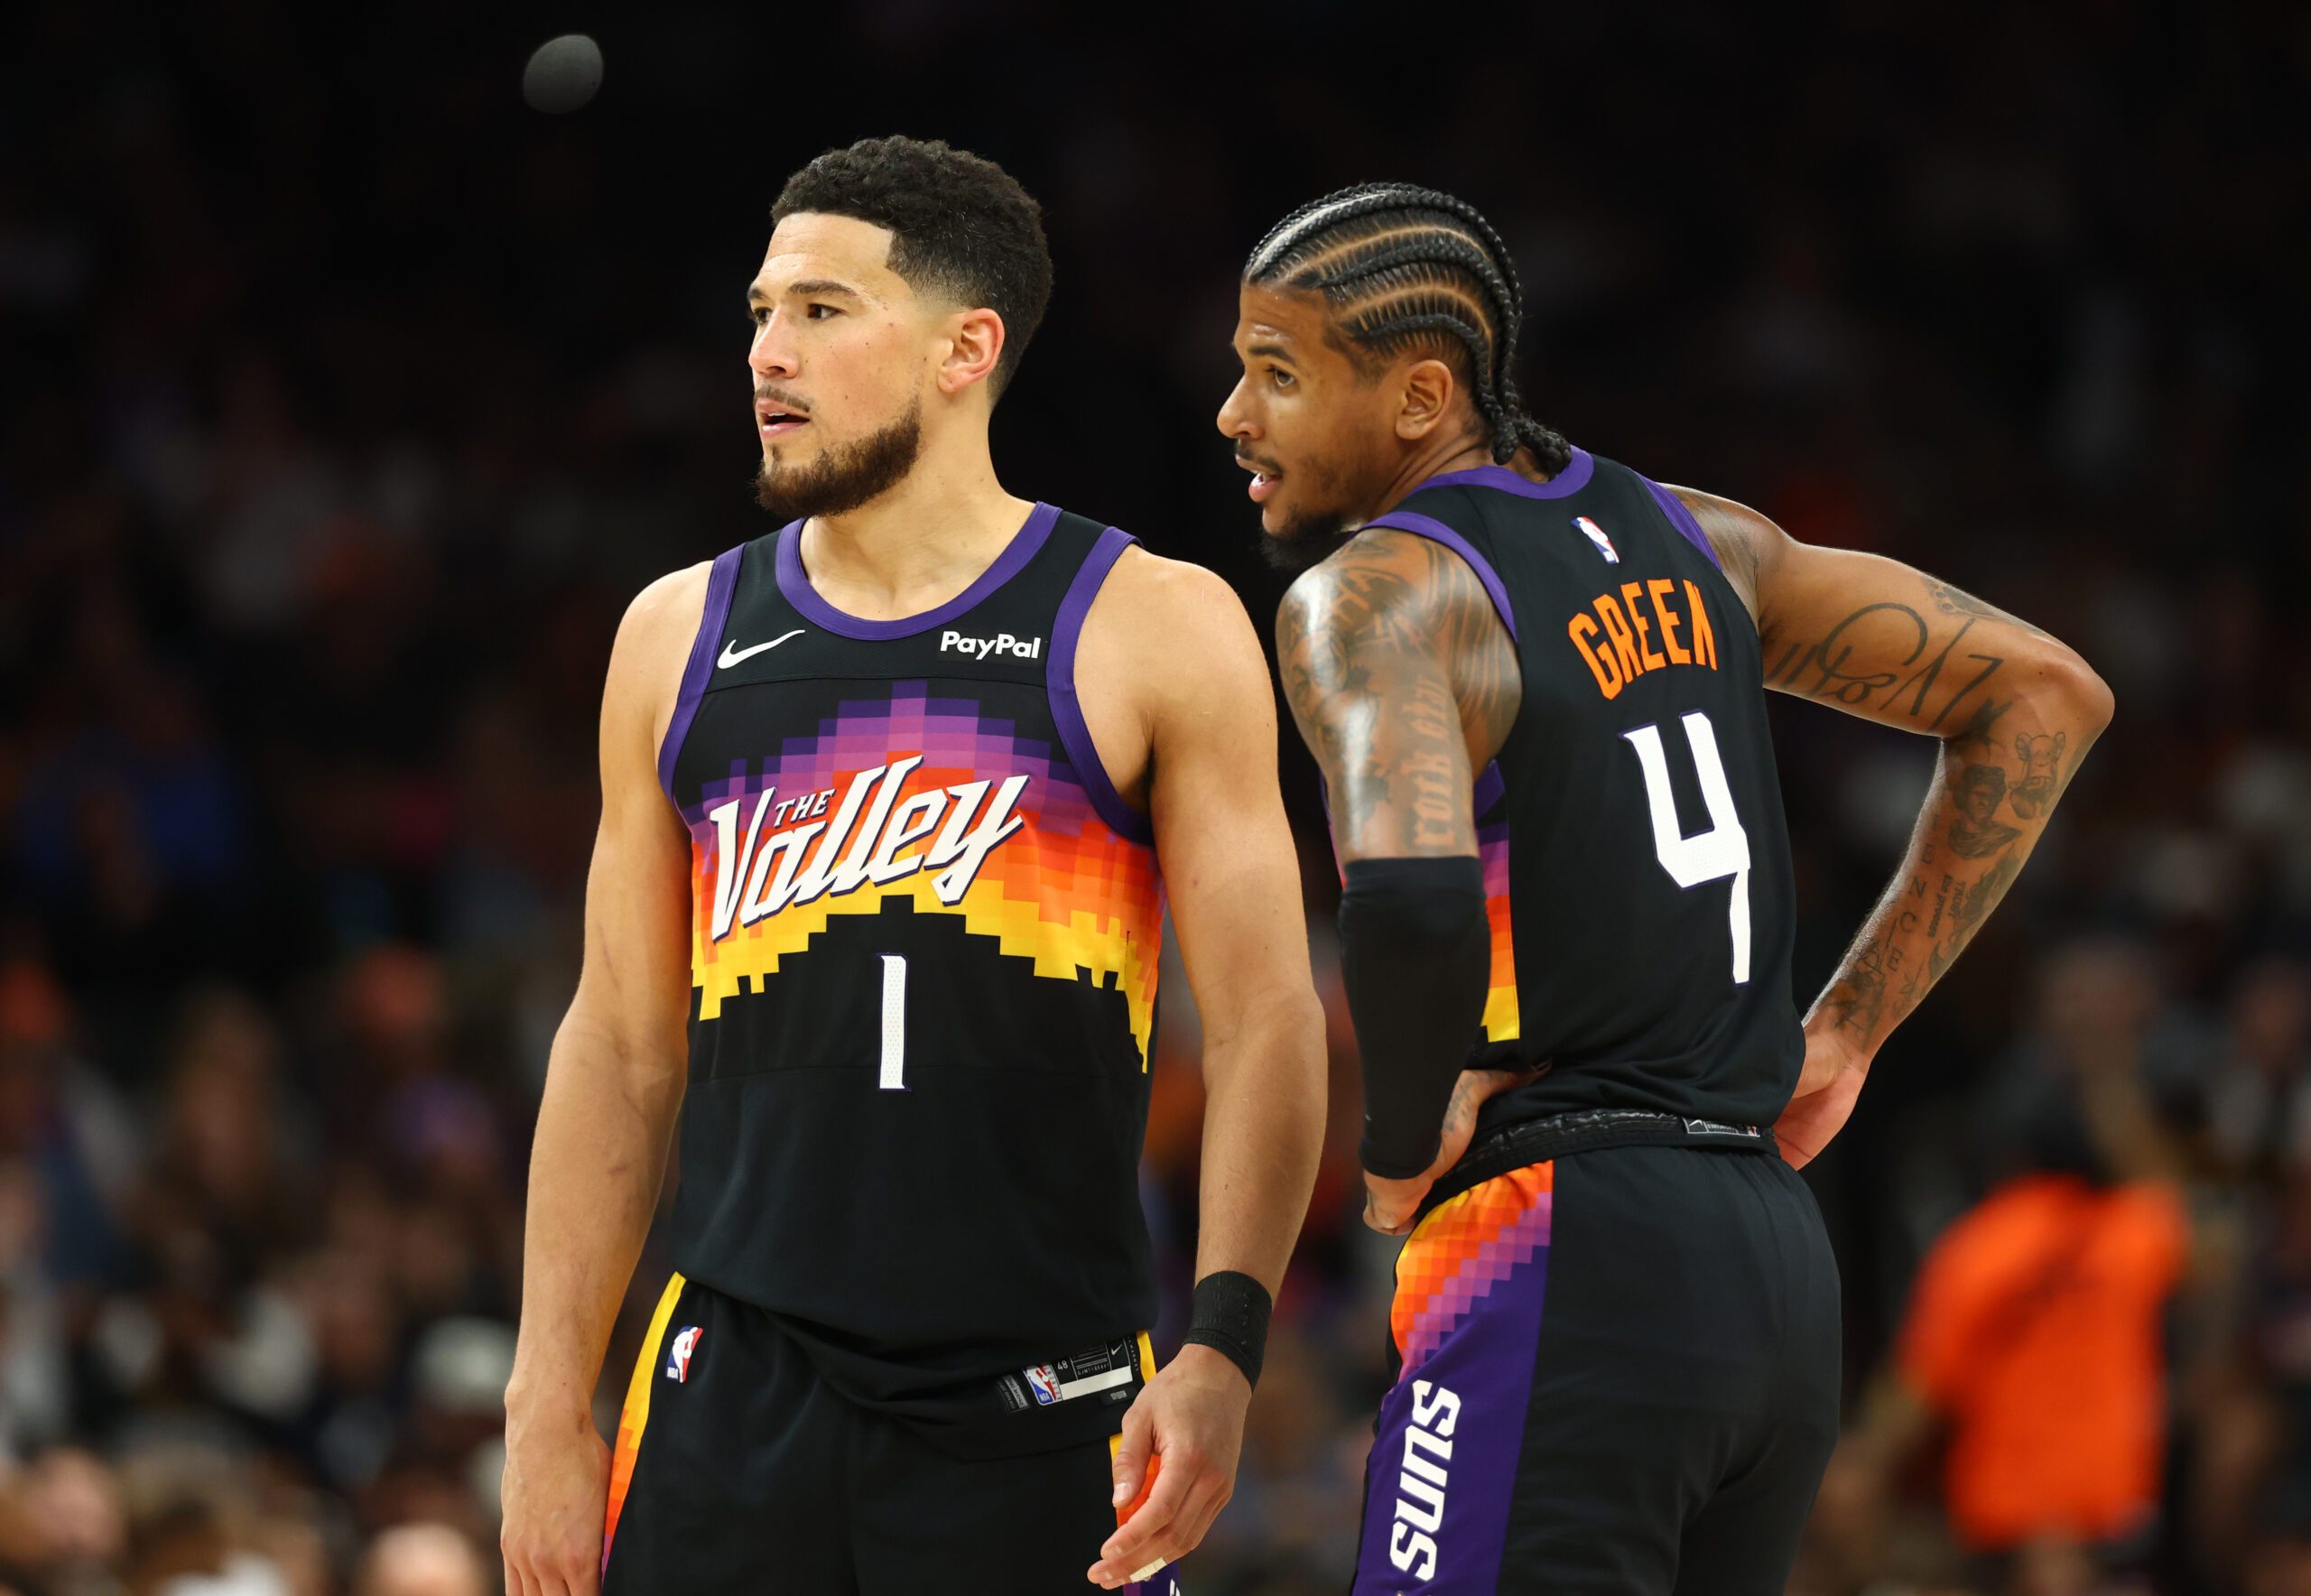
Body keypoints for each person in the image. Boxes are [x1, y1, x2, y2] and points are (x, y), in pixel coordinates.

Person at [1218, 181, 2114, 1594]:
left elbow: (1413, 896)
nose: (1233, 413)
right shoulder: (1708, 542)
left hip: (1559, 1238)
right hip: (1771, 1259)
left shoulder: (1378, 595)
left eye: (1277, 372)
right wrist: (1851, 1028)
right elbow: (2046, 693)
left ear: (1420, 396)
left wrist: (1396, 1144)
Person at [500, 137, 1326, 1596]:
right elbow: (620, 1046)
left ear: (966, 349)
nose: (768, 352)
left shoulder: (1151, 623)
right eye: (762, 313)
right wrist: (546, 1403)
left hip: (1044, 1393)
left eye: (823, 311)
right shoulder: (675, 637)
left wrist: (1224, 1344)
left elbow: (1266, 1022)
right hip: (729, 1394)